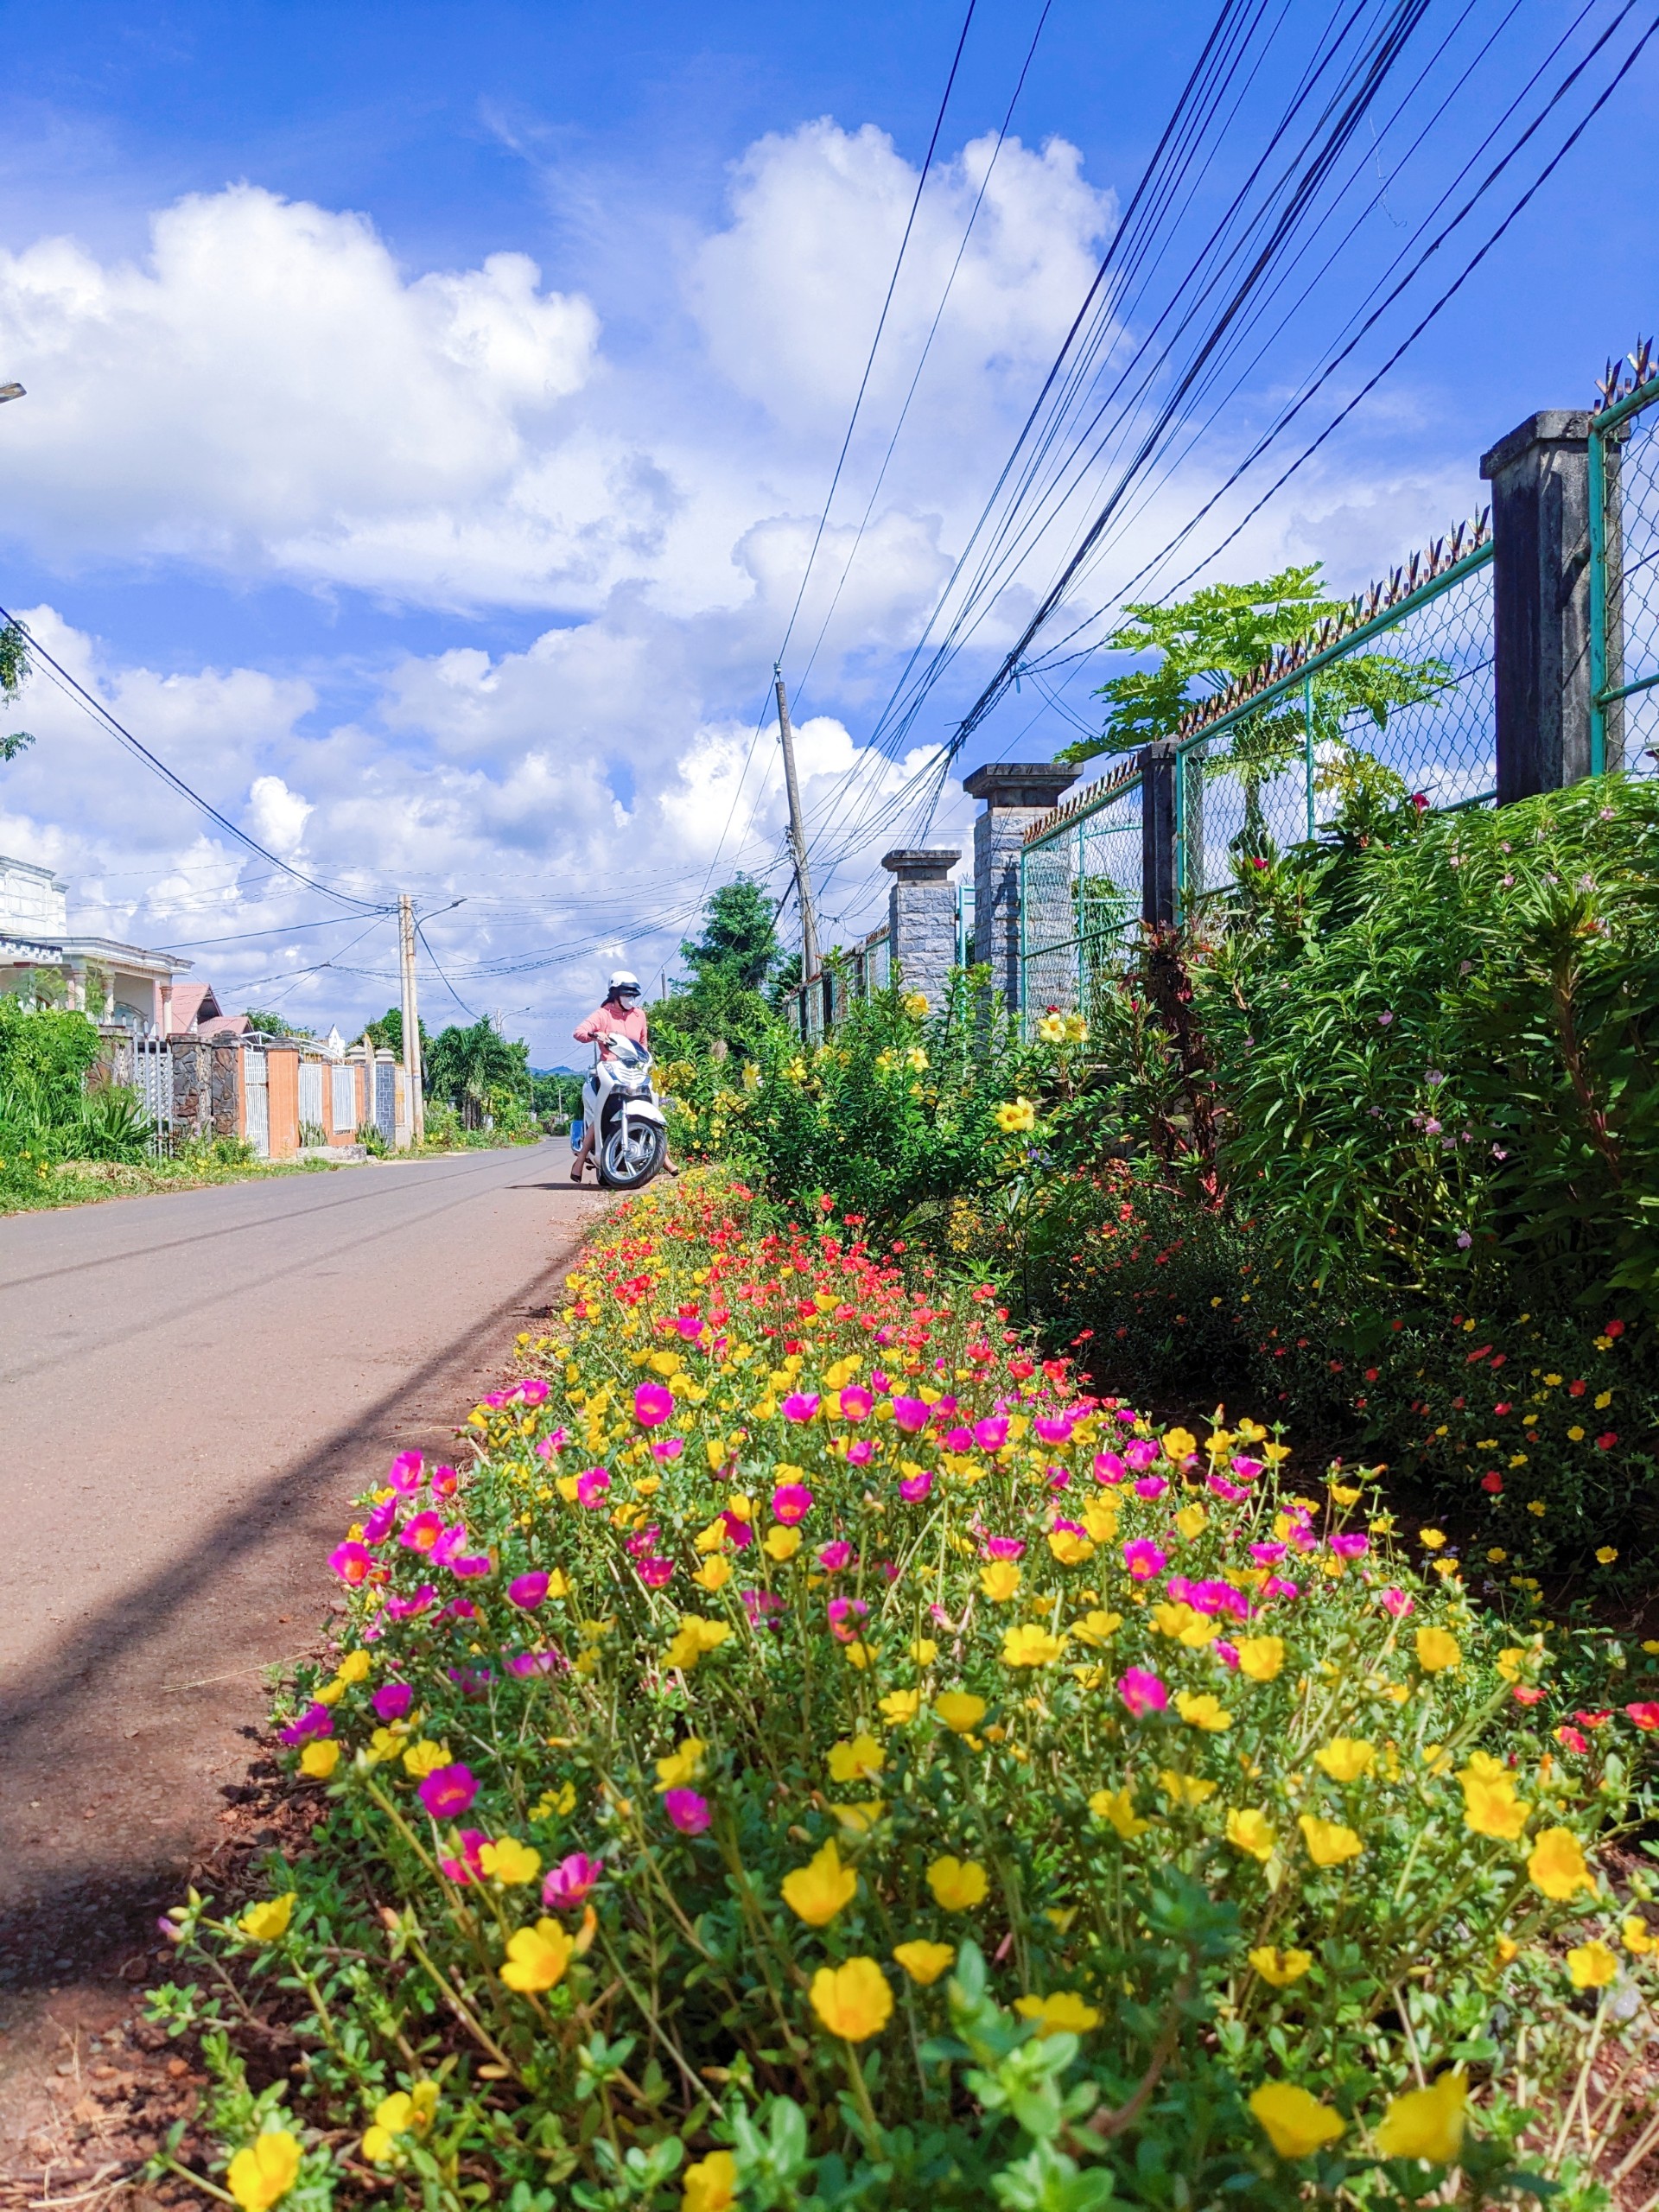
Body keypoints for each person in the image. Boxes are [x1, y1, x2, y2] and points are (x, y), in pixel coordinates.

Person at [570, 971, 648, 1182]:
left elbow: (643, 1045)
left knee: (650, 1103)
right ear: (616, 994)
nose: (630, 999)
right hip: (609, 1073)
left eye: (633, 995)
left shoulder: (640, 1015)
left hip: (633, 1072)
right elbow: (579, 1032)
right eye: (626, 994)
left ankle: (662, 1156)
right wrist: (595, 1034)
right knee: (600, 1113)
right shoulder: (603, 1014)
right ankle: (580, 1160)